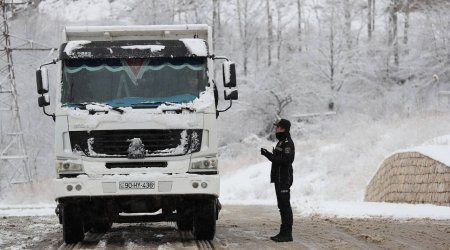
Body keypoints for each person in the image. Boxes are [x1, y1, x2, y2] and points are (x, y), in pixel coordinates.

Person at [261, 119, 295, 242]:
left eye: (278, 127)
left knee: (285, 206)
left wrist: (269, 155)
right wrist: (268, 154)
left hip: (284, 179)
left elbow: (286, 160)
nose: (276, 129)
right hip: (279, 179)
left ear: (284, 128)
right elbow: (278, 158)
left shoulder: (287, 143)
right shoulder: (281, 142)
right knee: (282, 206)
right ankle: (283, 232)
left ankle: (287, 234)